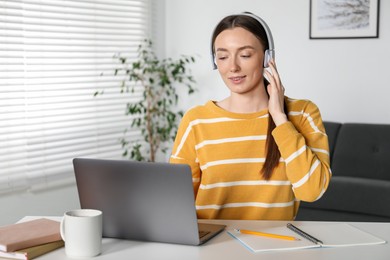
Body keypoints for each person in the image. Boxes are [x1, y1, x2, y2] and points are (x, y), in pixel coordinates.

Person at [169, 12, 331, 220]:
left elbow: (312, 191)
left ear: (267, 58)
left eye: (245, 55)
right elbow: (176, 202)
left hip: (275, 247)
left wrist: (279, 117)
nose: (233, 67)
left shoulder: (302, 113)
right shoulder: (196, 121)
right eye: (223, 56)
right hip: (212, 248)